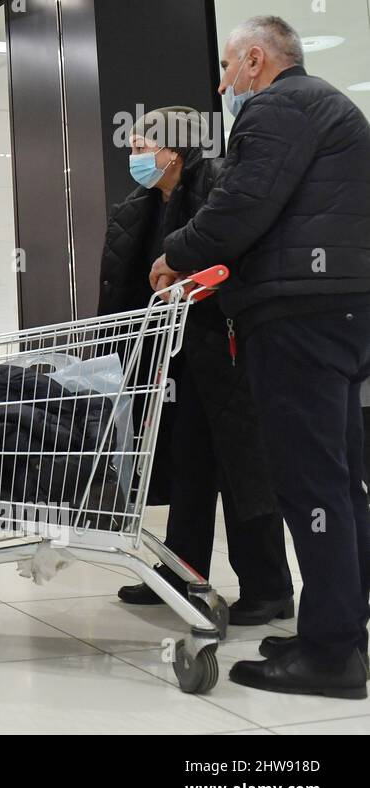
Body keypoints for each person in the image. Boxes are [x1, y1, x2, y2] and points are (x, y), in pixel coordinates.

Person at [152, 15, 370, 700]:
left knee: (309, 483)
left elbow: (241, 206)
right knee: (338, 478)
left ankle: (332, 655)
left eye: (228, 67)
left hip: (298, 314)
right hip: (342, 308)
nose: (224, 82)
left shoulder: (277, 107)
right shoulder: (330, 106)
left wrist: (175, 254)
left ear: (255, 59)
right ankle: (339, 627)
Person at [100, 107, 292, 624]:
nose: (134, 156)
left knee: (242, 468)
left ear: (175, 151)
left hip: (225, 350)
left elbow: (237, 260)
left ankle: (269, 587)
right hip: (172, 358)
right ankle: (179, 575)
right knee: (188, 464)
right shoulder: (139, 207)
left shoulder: (219, 196)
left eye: (142, 147)